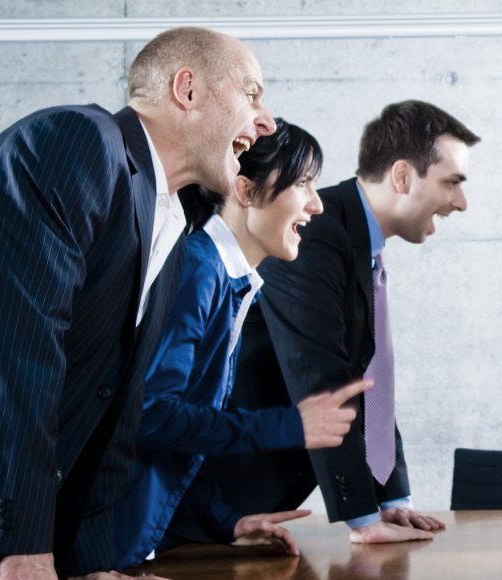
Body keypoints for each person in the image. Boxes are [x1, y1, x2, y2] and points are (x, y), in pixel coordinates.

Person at [0, 26, 275, 578]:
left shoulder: (169, 221)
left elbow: (112, 419)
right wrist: (22, 548)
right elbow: (18, 355)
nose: (265, 122)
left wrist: (96, 565)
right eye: (252, 93)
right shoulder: (78, 140)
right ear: (186, 90)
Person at [163, 100, 481, 546]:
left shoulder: (355, 242)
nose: (461, 203)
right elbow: (321, 376)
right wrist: (362, 517)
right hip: (208, 498)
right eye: (452, 183)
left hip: (233, 511)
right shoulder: (312, 234)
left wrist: (393, 498)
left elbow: (369, 378)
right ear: (404, 176)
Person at [110, 119, 372, 570]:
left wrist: (227, 521)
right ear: (246, 191)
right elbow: (149, 416)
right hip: (104, 545)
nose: (315, 204)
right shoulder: (198, 271)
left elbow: (175, 439)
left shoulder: (225, 278)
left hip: (132, 544)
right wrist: (289, 426)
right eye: (304, 183)